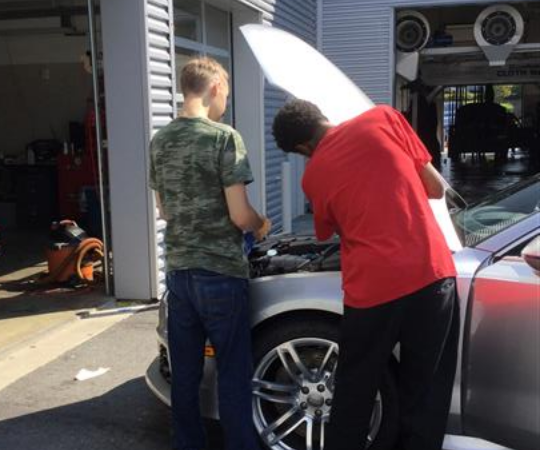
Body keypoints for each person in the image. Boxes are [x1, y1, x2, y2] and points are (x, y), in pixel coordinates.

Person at [272, 100, 459, 450]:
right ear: (321, 115)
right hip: (430, 275)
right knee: (426, 391)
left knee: (355, 388)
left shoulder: (313, 176)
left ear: (303, 147)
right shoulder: (383, 117)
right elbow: (436, 188)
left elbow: (329, 230)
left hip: (373, 290)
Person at [149, 57, 270, 450]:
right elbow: (239, 215)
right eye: (226, 95)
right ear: (215, 87)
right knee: (233, 372)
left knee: (185, 375)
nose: (225, 104)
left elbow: (164, 211)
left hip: (179, 273)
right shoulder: (224, 137)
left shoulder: (160, 141)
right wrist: (260, 223)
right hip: (220, 272)